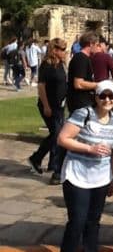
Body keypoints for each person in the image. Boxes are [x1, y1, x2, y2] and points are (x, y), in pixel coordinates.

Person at [55, 80, 113, 252]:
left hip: (100, 178)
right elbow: (62, 139)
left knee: (93, 222)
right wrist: (89, 148)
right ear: (96, 97)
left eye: (111, 96)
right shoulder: (84, 114)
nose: (107, 100)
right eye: (103, 95)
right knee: (77, 221)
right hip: (77, 176)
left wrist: (111, 177)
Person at [28, 38, 68, 183]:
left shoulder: (61, 65)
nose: (65, 52)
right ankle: (55, 169)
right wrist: (46, 105)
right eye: (62, 50)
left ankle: (39, 159)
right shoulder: (46, 65)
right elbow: (41, 87)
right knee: (58, 136)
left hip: (60, 106)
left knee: (55, 135)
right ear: (55, 50)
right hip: (50, 106)